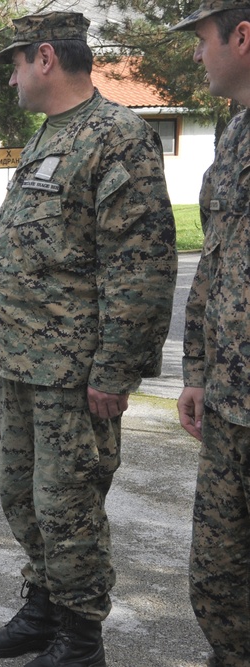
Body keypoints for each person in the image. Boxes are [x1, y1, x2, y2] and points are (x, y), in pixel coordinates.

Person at [0, 12, 177, 667]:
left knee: (68, 509)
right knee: (20, 495)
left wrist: (115, 369)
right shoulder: (49, 136)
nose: (9, 77)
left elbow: (140, 261)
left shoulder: (117, 135)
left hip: (74, 369)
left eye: (13, 63)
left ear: (44, 58)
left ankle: (80, 636)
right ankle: (45, 604)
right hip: (26, 362)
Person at [172, 3, 250, 665]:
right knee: (219, 576)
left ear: (243, 36)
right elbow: (216, 261)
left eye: (202, 41)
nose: (197, 56)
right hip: (230, 399)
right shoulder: (235, 134)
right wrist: (197, 368)